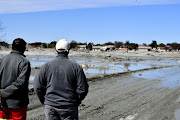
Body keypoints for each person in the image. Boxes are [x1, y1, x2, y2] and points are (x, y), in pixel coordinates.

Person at [34, 39, 89, 120]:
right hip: (69, 107)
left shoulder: (46, 66)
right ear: (68, 50)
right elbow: (83, 88)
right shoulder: (76, 67)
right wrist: (76, 100)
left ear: (56, 49)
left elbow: (37, 86)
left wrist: (45, 101)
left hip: (51, 106)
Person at [0, 38, 31, 120]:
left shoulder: (2, 60)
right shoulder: (24, 62)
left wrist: (2, 93)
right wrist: (3, 92)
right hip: (17, 105)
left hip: (3, 103)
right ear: (23, 48)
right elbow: (20, 83)